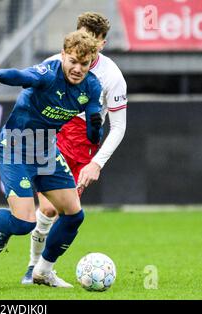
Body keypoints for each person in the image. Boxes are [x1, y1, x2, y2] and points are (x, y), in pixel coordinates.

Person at [0, 29, 103, 287]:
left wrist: (95, 125)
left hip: (46, 149)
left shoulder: (92, 85)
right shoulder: (49, 73)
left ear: (91, 63)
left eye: (84, 63)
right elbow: (21, 76)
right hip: (14, 147)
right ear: (62, 55)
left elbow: (93, 132)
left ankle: (43, 271)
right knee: (24, 223)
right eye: (73, 61)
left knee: (74, 215)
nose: (78, 68)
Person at [17, 12, 128, 284]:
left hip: (85, 149)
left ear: (102, 43)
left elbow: (118, 126)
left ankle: (39, 266)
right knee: (51, 209)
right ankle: (35, 267)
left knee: (67, 213)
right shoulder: (55, 63)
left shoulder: (112, 75)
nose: (85, 42)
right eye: (82, 34)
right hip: (53, 137)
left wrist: (96, 163)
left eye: (93, 39)